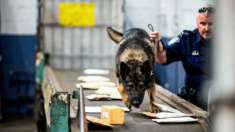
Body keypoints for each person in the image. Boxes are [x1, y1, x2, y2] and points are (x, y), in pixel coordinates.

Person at [149, 5, 214, 110]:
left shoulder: (228, 40)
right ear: (197, 23)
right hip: (194, 105)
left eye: (211, 24)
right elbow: (162, 59)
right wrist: (156, 42)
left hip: (221, 104)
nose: (207, 28)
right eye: (203, 23)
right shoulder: (186, 39)